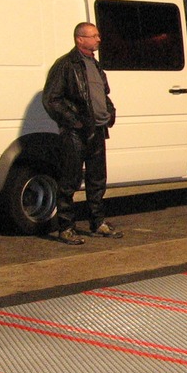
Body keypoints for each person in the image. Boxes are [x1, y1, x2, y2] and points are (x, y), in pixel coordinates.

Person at [42, 22, 123, 244]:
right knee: (70, 181)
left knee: (97, 179)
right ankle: (66, 227)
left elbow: (102, 94)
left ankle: (98, 223)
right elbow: (51, 99)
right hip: (76, 133)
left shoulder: (95, 65)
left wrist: (110, 111)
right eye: (94, 36)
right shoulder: (66, 65)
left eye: (98, 35)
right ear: (80, 39)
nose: (98, 39)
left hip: (97, 131)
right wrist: (74, 122)